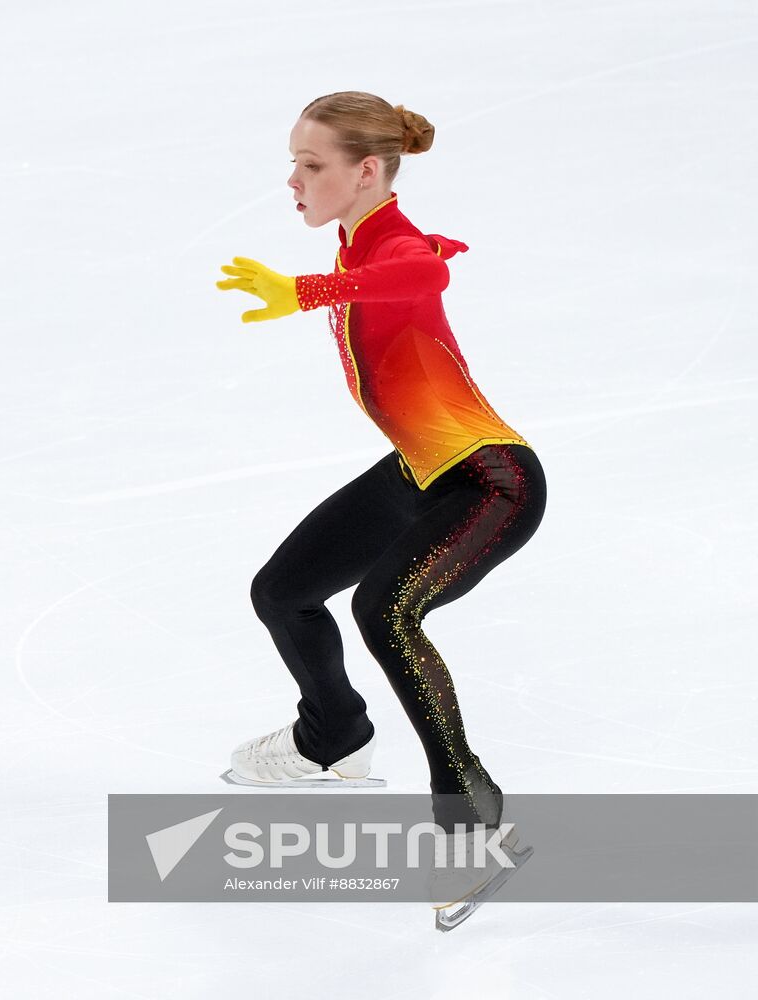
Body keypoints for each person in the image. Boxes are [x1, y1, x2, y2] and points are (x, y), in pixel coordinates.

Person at [215, 91, 547, 831]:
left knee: (384, 610)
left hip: (492, 481)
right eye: (292, 164)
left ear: (366, 171)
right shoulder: (363, 243)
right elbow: (414, 269)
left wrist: (305, 291)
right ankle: (334, 736)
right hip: (420, 471)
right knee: (284, 592)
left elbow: (424, 277)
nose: (293, 181)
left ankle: (471, 813)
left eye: (310, 164)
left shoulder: (390, 249)